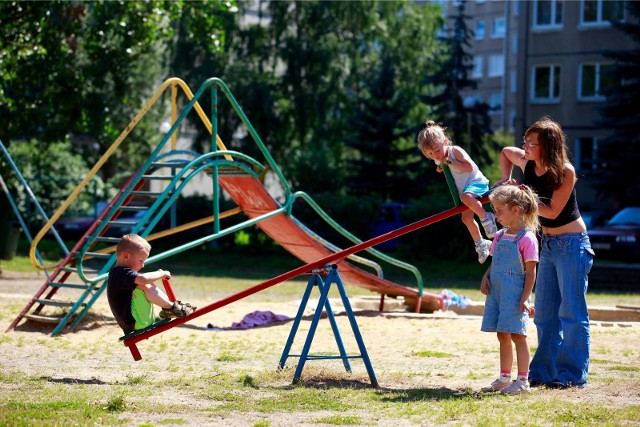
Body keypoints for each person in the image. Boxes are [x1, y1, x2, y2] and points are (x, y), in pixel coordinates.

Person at [495, 116, 594, 388]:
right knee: (546, 315)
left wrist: (523, 196)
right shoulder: (527, 164)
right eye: (525, 141)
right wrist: (507, 180)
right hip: (548, 244)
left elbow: (552, 211)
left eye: (531, 143)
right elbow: (505, 152)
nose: (525, 146)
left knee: (572, 313)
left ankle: (571, 376)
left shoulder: (565, 172)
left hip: (572, 243)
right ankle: (541, 373)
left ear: (548, 146)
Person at [480, 184, 539, 395]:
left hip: (516, 296)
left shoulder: (527, 238)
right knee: (502, 334)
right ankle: (504, 378)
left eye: (499, 210)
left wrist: (525, 298)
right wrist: (486, 277)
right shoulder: (500, 235)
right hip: (498, 293)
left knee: (518, 336)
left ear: (515, 210)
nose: (496, 215)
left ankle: (523, 381)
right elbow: (495, 262)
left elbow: (531, 272)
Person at [418, 120, 497, 263]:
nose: (435, 155)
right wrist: (441, 167)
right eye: (430, 153)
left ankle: (486, 217)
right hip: (465, 191)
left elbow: (469, 168)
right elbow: (444, 166)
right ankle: (481, 243)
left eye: (437, 150)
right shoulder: (439, 159)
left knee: (466, 198)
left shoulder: (456, 151)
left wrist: (449, 163)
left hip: (477, 183)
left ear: (446, 142)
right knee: (465, 218)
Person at [107, 234, 196, 335]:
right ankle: (173, 308)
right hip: (135, 322)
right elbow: (143, 279)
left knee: (144, 282)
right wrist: (162, 273)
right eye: (141, 261)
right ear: (126, 256)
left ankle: (172, 308)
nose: (143, 265)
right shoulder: (120, 273)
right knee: (143, 284)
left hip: (136, 322)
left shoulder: (119, 273)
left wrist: (156, 275)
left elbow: (144, 279)